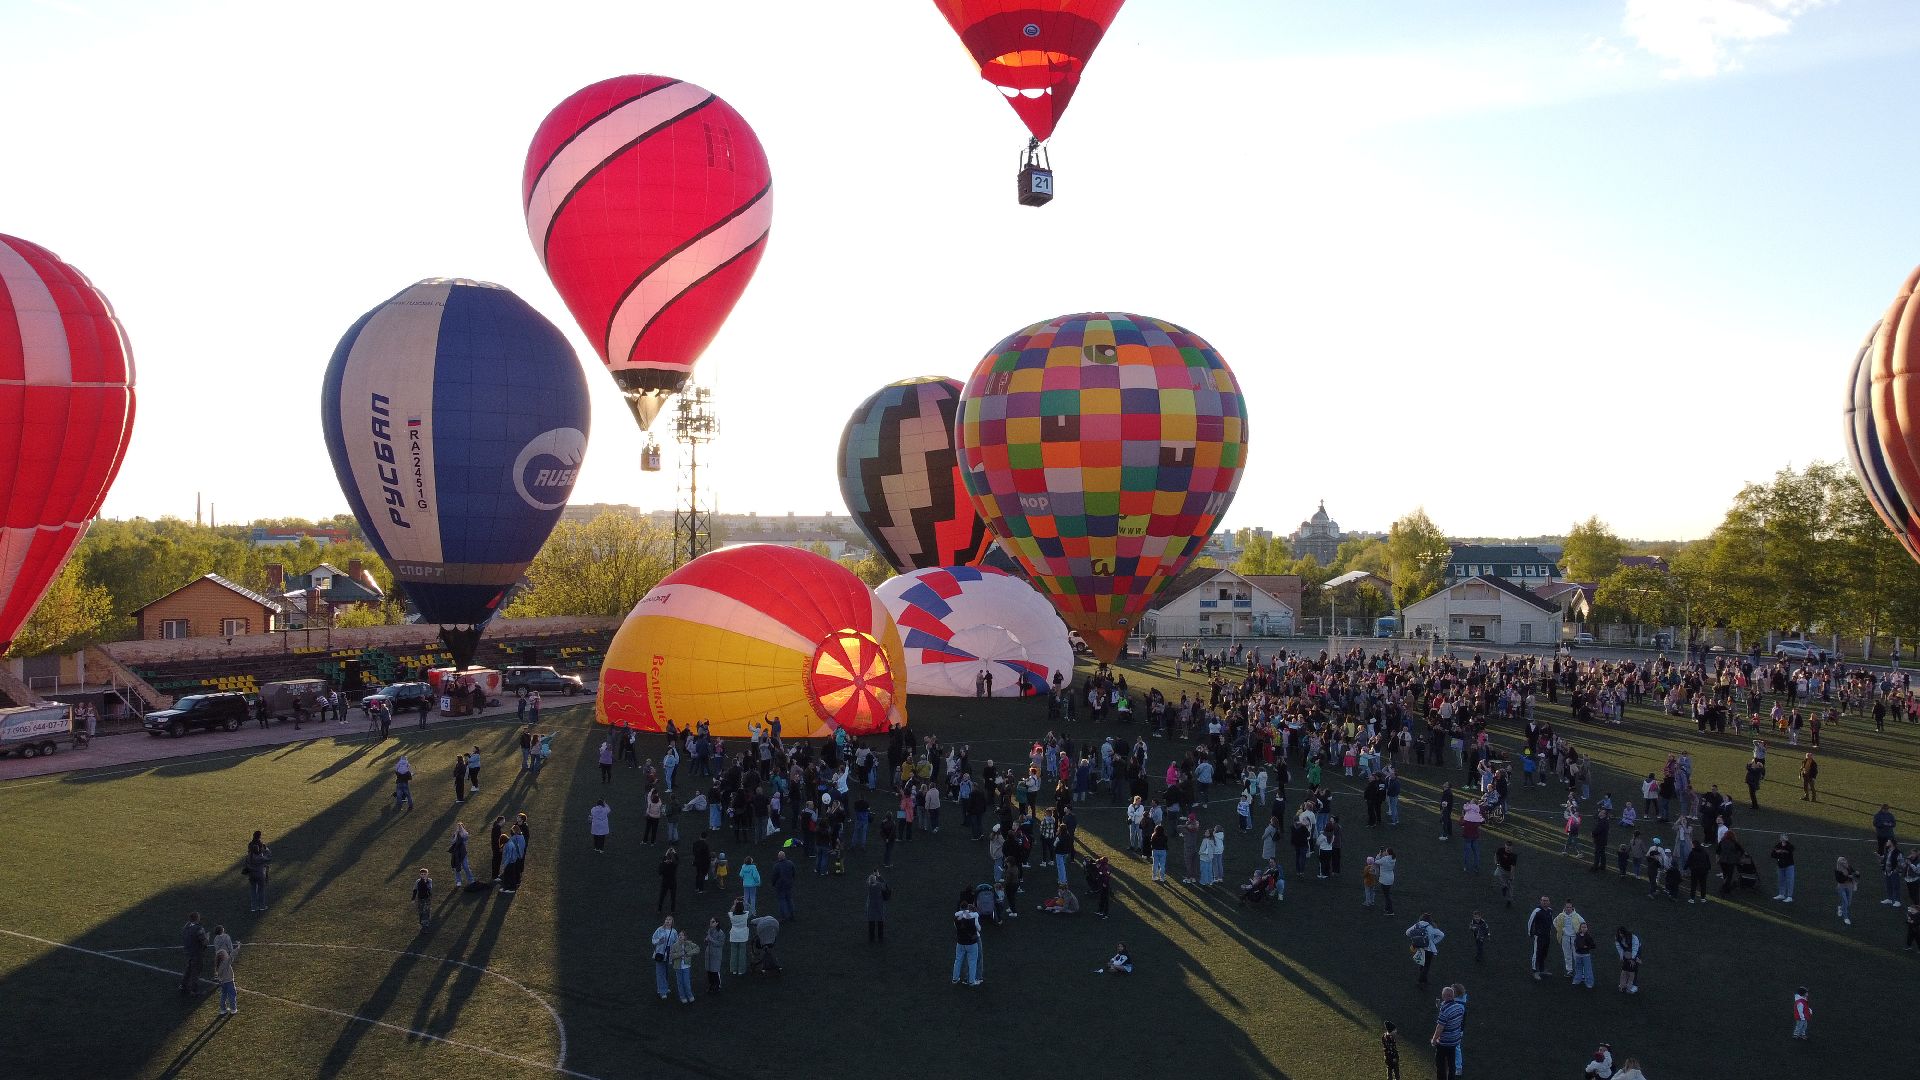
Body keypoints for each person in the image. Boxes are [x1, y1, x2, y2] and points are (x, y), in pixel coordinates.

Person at [1430, 984, 1466, 1080]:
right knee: (1451, 1063)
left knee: (1440, 1064)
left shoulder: (1445, 1010)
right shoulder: (1460, 1007)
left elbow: (1440, 1028)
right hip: (1454, 1041)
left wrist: (1434, 1040)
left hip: (1444, 1042)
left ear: (1444, 996)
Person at [1406, 913, 1443, 987]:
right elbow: (1441, 934)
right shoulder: (1430, 927)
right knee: (1426, 966)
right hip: (1429, 949)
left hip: (1420, 948)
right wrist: (1433, 942)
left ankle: (1424, 980)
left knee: (1421, 963)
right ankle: (1421, 981)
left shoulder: (1416, 925)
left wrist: (1415, 939)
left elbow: (1407, 932)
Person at [952, 899, 983, 986]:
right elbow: (979, 929)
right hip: (971, 943)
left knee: (958, 960)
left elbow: (956, 925)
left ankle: (955, 979)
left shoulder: (956, 918)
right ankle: (971, 981)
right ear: (967, 908)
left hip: (960, 942)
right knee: (972, 961)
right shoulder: (973, 917)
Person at [650, 916, 681, 1001]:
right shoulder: (659, 929)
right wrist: (659, 941)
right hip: (660, 953)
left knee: (666, 971)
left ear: (672, 922)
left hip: (668, 953)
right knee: (660, 972)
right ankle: (662, 991)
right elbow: (653, 939)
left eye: (669, 920)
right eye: (666, 919)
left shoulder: (674, 931)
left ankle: (665, 987)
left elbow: (676, 942)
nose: (667, 921)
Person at [179, 912, 208, 996]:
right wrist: (207, 937)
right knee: (196, 971)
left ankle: (183, 985)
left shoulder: (186, 927)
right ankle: (194, 990)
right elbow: (204, 942)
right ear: (197, 918)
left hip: (188, 952)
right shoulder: (199, 928)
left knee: (188, 969)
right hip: (197, 953)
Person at [243, 831, 272, 912]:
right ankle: (262, 906)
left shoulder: (248, 856)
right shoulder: (260, 858)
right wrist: (266, 849)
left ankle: (253, 907)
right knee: (261, 890)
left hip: (251, 875)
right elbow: (269, 857)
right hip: (260, 874)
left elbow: (246, 863)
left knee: (253, 890)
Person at [1553, 901, 1584, 976]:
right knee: (1567, 955)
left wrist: (1580, 933)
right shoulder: (1560, 916)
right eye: (1567, 907)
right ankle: (1569, 970)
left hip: (1575, 938)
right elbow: (1554, 922)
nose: (1568, 909)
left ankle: (1579, 971)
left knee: (1576, 955)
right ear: (1564, 908)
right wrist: (1560, 930)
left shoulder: (1576, 916)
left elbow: (1583, 923)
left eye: (1570, 907)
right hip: (1565, 938)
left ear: (1572, 908)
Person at [1526, 896, 1553, 980]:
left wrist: (1550, 932)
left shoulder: (1550, 911)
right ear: (1540, 901)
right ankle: (1535, 971)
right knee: (1536, 953)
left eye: (1546, 900)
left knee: (1544, 953)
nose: (1544, 902)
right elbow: (1530, 921)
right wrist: (1530, 933)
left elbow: (1550, 923)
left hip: (1547, 936)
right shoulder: (1537, 911)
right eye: (1542, 900)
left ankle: (1541, 970)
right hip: (1539, 936)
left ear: (1549, 902)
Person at [772, 848, 798, 921]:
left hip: (780, 886)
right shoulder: (790, 863)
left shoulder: (777, 866)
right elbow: (794, 873)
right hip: (789, 884)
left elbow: (774, 876)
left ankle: (783, 916)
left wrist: (773, 884)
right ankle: (792, 914)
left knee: (782, 901)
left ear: (778, 857)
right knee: (789, 899)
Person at [1771, 833, 1797, 902]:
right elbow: (1772, 854)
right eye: (1782, 837)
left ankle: (1789, 896)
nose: (1783, 838)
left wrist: (1783, 849)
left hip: (1789, 865)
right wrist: (1778, 852)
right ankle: (1781, 894)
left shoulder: (1789, 845)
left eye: (1785, 837)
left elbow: (1791, 849)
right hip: (1780, 866)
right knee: (1781, 880)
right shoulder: (1778, 845)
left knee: (1790, 880)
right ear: (1780, 838)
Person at [1614, 925, 1640, 993]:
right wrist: (1621, 956)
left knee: (1633, 968)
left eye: (1622, 933)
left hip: (1636, 951)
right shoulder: (1618, 938)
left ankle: (1633, 985)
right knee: (1625, 969)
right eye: (1619, 933)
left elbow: (1635, 948)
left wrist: (1633, 958)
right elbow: (1619, 947)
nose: (1620, 935)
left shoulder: (1633, 937)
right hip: (1626, 952)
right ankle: (1623, 984)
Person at [214, 945, 238, 1016]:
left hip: (223, 983)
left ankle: (223, 1009)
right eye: (226, 953)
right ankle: (233, 1009)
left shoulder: (218, 965)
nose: (227, 954)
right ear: (223, 957)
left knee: (223, 995)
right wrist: (238, 948)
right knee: (232, 995)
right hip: (229, 982)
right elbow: (232, 956)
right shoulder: (225, 963)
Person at [866, 870, 890, 942]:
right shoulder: (879, 885)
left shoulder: (869, 886)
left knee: (871, 922)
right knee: (880, 922)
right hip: (879, 905)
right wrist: (878, 875)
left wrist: (872, 875)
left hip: (871, 905)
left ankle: (871, 937)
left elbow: (867, 880)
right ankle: (880, 937)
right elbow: (885, 883)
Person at [449, 823, 476, 887]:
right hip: (456, 853)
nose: (459, 828)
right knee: (457, 867)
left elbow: (465, 839)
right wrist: (456, 835)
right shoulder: (455, 835)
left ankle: (471, 879)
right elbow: (452, 842)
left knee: (466, 867)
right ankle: (458, 881)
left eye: (460, 827)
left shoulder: (465, 834)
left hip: (463, 854)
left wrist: (461, 832)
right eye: (458, 827)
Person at [1835, 855, 1859, 925]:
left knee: (1848, 903)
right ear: (1839, 862)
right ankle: (1846, 917)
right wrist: (1847, 876)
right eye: (1842, 860)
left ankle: (1841, 908)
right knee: (1845, 902)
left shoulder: (1849, 867)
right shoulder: (1837, 870)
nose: (1844, 861)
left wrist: (1857, 875)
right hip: (1841, 887)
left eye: (1844, 860)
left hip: (1849, 887)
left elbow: (1855, 875)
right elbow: (1839, 880)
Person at [1571, 921, 1596, 988]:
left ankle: (1589, 983)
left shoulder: (1588, 936)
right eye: (1582, 927)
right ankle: (1577, 980)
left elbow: (1593, 946)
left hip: (1585, 955)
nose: (1583, 928)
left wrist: (1587, 947)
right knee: (1578, 968)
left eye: (1585, 927)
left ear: (1587, 928)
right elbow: (1575, 942)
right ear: (1580, 928)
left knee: (1587, 969)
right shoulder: (1578, 935)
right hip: (1578, 955)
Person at [704, 917, 725, 993]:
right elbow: (708, 940)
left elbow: (720, 944)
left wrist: (710, 939)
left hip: (715, 955)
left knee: (715, 971)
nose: (711, 923)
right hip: (709, 953)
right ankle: (711, 985)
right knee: (709, 971)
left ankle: (717, 986)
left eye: (713, 921)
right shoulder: (710, 930)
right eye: (710, 921)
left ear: (717, 923)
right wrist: (706, 939)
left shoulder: (721, 933)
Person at [657, 845, 680, 913]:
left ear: (666, 859)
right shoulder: (674, 865)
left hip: (665, 882)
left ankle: (659, 909)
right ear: (671, 859)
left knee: (662, 896)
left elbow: (659, 872)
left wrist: (666, 853)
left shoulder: (662, 865)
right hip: (673, 882)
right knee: (673, 897)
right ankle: (672, 910)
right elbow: (678, 860)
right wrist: (674, 852)